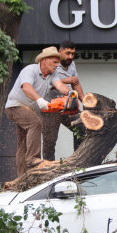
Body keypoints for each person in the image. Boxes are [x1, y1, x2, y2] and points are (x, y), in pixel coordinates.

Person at [5, 47, 71, 177]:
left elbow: (60, 85)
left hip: (29, 110)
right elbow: (26, 87)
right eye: (54, 62)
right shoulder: (30, 70)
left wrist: (70, 93)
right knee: (36, 123)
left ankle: (22, 178)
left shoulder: (53, 75)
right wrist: (40, 100)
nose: (57, 65)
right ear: (44, 60)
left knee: (23, 144)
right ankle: (33, 158)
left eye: (58, 63)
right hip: (15, 106)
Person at [41, 40, 85, 161]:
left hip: (67, 106)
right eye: (67, 53)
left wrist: (85, 102)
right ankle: (48, 169)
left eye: (73, 53)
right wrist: (67, 80)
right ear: (60, 52)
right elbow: (48, 81)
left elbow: (75, 82)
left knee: (82, 127)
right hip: (50, 108)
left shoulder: (72, 64)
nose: (70, 56)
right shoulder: (52, 63)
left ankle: (78, 161)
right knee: (50, 142)